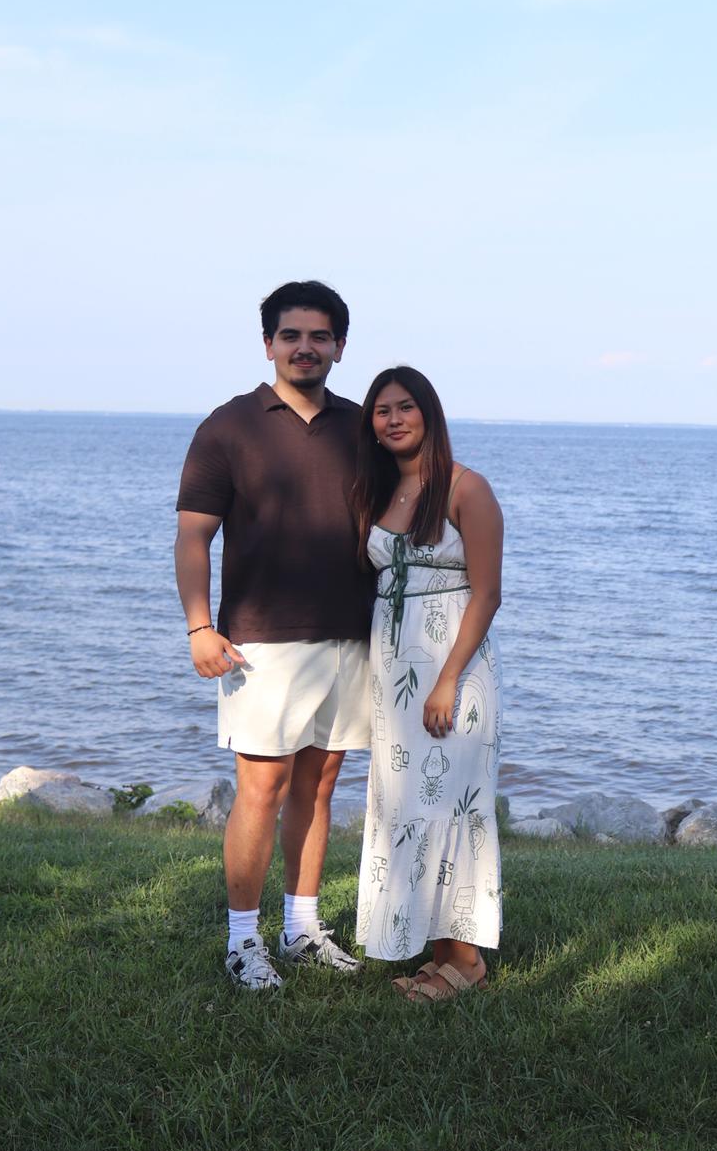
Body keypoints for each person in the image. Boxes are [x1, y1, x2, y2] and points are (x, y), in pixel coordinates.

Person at [174, 281, 373, 990]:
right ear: (268, 345)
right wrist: (200, 625)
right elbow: (193, 537)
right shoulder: (229, 427)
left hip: (351, 635)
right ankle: (242, 941)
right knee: (261, 789)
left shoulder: (362, 428)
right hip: (261, 641)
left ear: (340, 347)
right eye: (291, 336)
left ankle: (301, 930)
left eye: (320, 336)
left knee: (318, 789)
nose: (304, 348)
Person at [353, 366, 504, 1000]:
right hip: (395, 676)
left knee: (450, 806)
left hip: (453, 671)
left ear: (429, 413)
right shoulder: (380, 492)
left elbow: (487, 594)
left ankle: (465, 962)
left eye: (405, 407)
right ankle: (439, 953)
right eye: (382, 410)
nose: (393, 419)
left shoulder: (468, 488)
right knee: (407, 806)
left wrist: (446, 681)